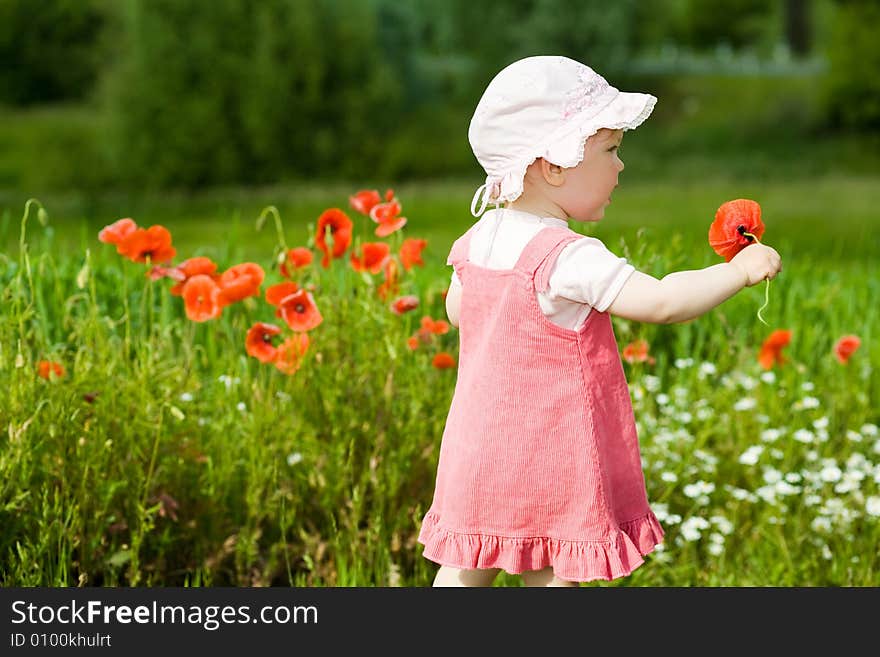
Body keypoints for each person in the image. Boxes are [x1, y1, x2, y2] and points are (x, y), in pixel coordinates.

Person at [416, 55, 782, 587]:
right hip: (549, 459)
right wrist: (740, 271)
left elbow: (457, 311)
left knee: (468, 566)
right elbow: (660, 302)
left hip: (478, 453)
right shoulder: (567, 256)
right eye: (610, 149)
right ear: (554, 165)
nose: (620, 166)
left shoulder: (478, 240)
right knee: (551, 572)